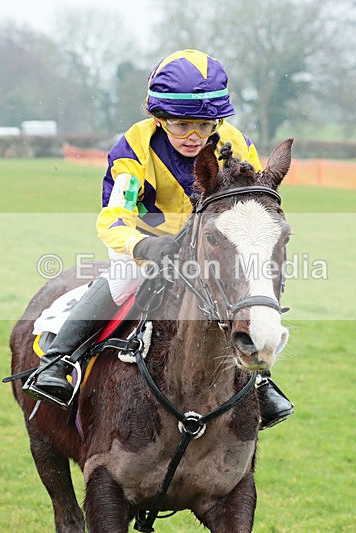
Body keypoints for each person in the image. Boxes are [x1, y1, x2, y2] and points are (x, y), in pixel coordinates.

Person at [23, 49, 293, 429]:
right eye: (182, 124)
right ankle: (57, 361)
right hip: (145, 244)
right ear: (159, 117)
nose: (195, 136)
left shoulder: (235, 142)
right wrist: (145, 247)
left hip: (208, 246)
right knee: (123, 280)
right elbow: (115, 217)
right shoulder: (134, 147)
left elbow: (250, 206)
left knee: (242, 291)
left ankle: (259, 379)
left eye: (205, 124)